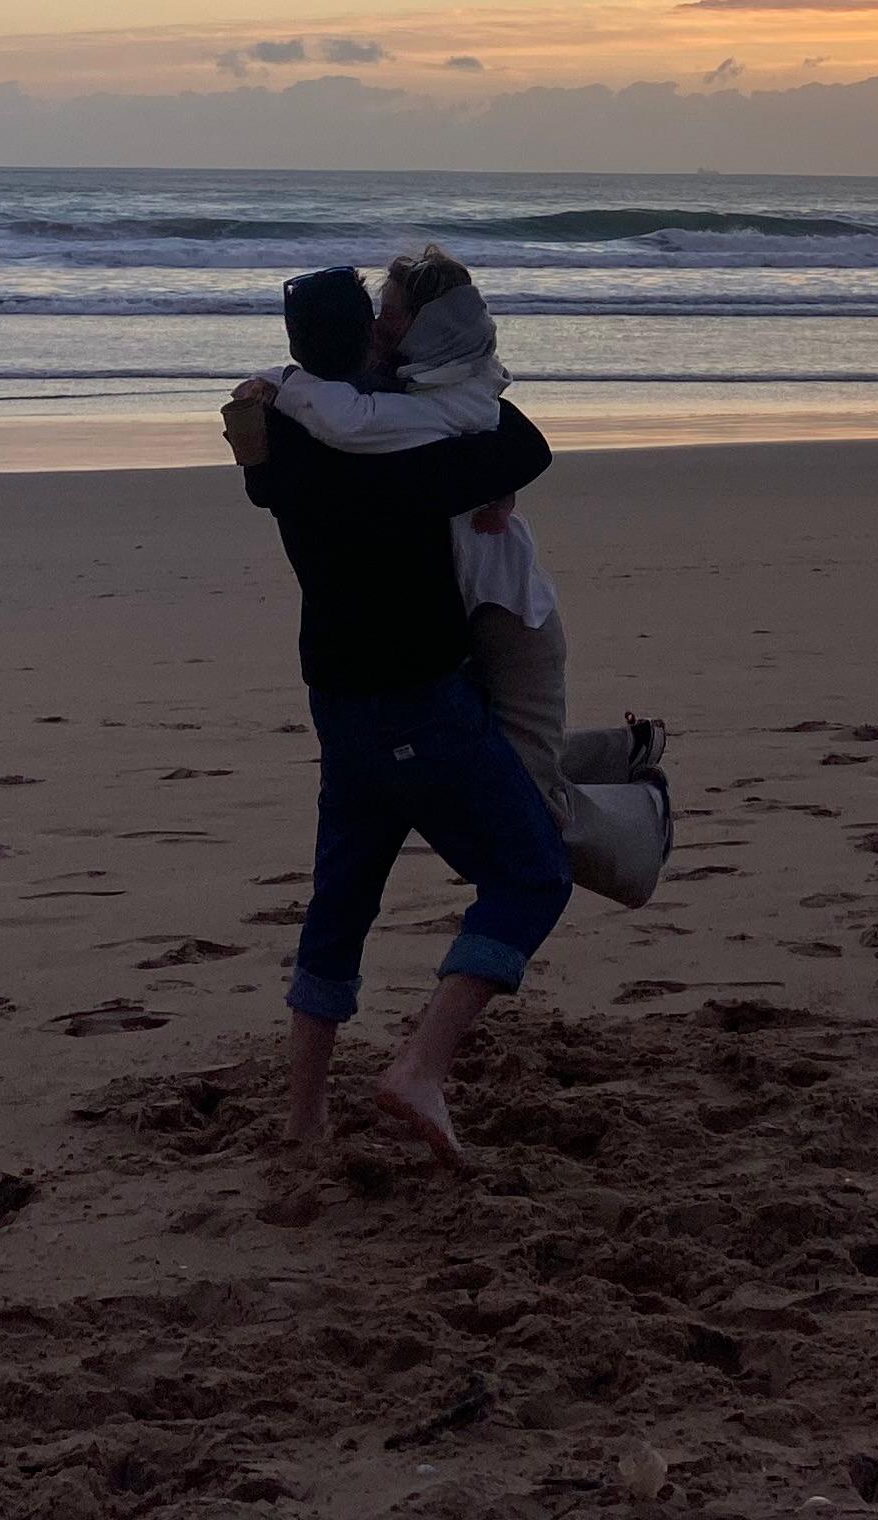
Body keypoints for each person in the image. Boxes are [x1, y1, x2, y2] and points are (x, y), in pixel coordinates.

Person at [224, 262, 568, 1165]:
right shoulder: (408, 459)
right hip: (418, 701)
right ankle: (420, 1066)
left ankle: (304, 1120)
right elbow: (522, 446)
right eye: (378, 325)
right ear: (370, 342)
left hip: (336, 702)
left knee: (341, 901)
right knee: (532, 875)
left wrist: (290, 390)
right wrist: (444, 374)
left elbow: (268, 471)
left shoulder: (285, 449)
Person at [249, 242, 672, 906]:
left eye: (391, 313)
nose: (381, 326)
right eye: (378, 314)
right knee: (489, 772)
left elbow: (365, 426)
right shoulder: (417, 388)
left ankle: (641, 827)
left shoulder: (444, 402)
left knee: (524, 803)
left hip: (507, 609)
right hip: (455, 620)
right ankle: (624, 752)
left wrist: (282, 384)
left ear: (428, 325)